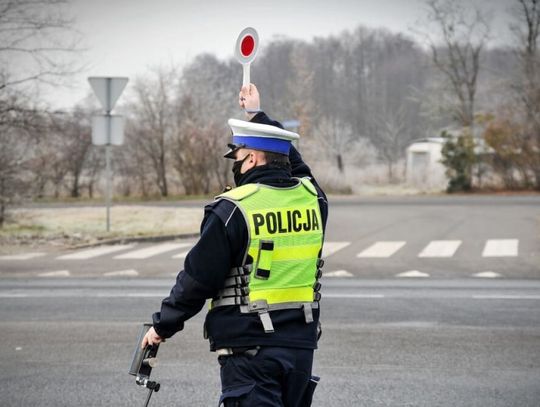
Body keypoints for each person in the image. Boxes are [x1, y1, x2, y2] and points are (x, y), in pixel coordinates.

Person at [142, 83, 328, 406]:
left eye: (238, 157)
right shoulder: (314, 201)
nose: (235, 164)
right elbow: (294, 163)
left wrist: (161, 326)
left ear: (253, 159)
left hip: (250, 354)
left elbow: (197, 280)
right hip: (301, 350)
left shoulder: (233, 210)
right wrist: (257, 116)